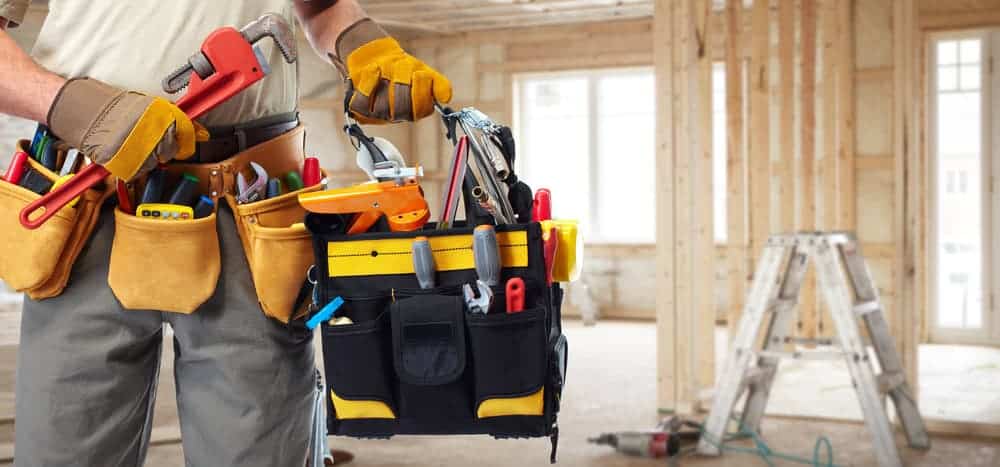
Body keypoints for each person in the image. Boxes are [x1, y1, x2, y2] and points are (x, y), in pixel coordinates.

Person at [0, 1, 451, 465]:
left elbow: (323, 7)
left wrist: (364, 45)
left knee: (261, 448)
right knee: (66, 447)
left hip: (250, 204)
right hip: (86, 200)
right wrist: (75, 107)